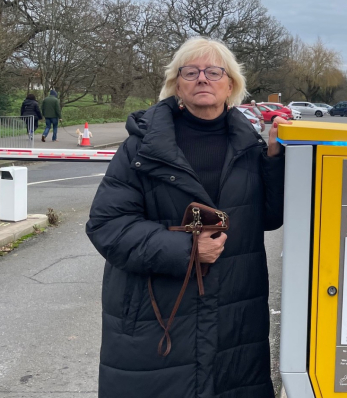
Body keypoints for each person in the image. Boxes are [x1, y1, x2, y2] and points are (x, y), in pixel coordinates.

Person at [86, 37, 288, 398]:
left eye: (214, 72)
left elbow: (268, 218)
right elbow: (107, 224)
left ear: (231, 85)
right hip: (156, 316)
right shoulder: (142, 147)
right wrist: (186, 250)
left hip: (233, 316)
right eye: (190, 72)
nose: (202, 79)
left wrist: (273, 162)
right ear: (176, 83)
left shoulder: (250, 147)